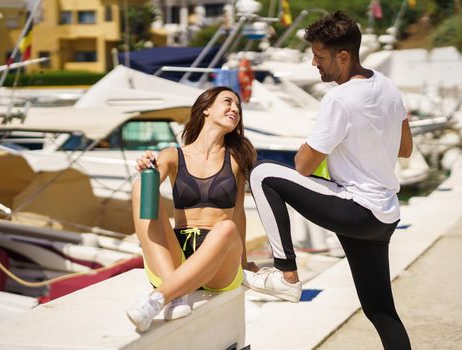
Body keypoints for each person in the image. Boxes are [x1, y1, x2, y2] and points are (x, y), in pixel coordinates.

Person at [244, 12, 413, 350]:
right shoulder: (388, 87)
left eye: (319, 56)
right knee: (380, 309)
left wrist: (321, 143)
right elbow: (406, 149)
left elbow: (304, 166)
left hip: (357, 210)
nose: (313, 63)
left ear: (343, 56)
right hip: (384, 217)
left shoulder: (339, 98)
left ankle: (286, 274)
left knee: (262, 173)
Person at [126, 86, 257, 332]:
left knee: (226, 227)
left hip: (219, 263)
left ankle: (158, 299)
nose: (235, 109)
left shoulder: (237, 158)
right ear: (206, 108)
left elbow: (238, 213)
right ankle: (176, 295)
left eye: (238, 107)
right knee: (141, 187)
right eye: (228, 102)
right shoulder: (173, 155)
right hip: (176, 255)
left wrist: (244, 261)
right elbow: (151, 181)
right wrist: (149, 170)